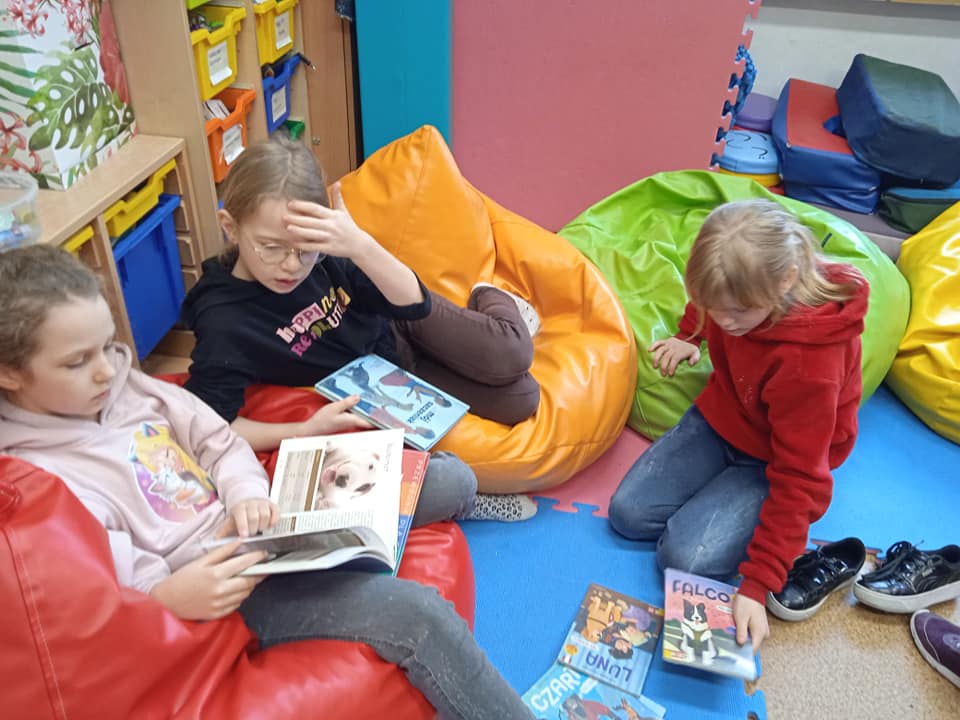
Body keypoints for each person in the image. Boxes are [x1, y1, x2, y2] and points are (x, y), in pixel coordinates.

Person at [0, 245, 535, 720]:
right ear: (9, 373)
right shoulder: (38, 480)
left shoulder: (127, 386)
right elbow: (102, 593)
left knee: (449, 477)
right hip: (234, 584)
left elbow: (216, 439)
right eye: (78, 362)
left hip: (265, 517)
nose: (105, 370)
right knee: (418, 615)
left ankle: (454, 504)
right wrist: (163, 598)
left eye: (107, 346)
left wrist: (246, 493)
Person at [180, 136, 540, 520]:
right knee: (521, 400)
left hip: (401, 325)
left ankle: (490, 295)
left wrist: (359, 246)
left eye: (306, 249)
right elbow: (211, 424)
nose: (292, 265)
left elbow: (414, 304)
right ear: (230, 228)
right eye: (270, 247)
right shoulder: (225, 319)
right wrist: (304, 430)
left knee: (512, 352)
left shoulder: (328, 251)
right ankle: (465, 501)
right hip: (380, 380)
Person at [607, 199, 869, 651]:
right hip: (725, 418)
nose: (724, 323)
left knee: (683, 560)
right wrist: (689, 335)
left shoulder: (809, 365)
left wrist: (758, 584)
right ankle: (717, 495)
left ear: (785, 281)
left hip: (776, 460)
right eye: (715, 310)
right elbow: (712, 299)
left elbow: (800, 478)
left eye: (738, 313)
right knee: (626, 514)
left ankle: (728, 504)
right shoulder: (734, 297)